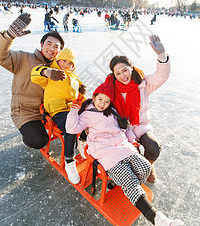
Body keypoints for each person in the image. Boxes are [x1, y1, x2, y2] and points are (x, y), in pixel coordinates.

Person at [66, 82, 183, 226]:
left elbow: (124, 129)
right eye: (100, 99)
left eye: (107, 101)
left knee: (145, 167)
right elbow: (71, 129)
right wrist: (74, 110)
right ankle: (156, 218)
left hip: (124, 148)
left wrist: (132, 141)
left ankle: (125, 185)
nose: (103, 104)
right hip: (107, 154)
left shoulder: (112, 111)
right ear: (94, 96)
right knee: (130, 181)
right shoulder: (88, 114)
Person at [104, 35, 170, 183]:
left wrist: (161, 55)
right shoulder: (111, 87)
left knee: (154, 148)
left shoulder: (143, 84)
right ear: (113, 75)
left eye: (125, 70)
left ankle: (147, 164)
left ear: (131, 68)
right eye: (118, 73)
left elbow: (161, 76)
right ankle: (126, 169)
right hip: (120, 127)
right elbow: (99, 103)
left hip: (140, 124)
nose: (122, 76)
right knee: (126, 153)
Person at [0, 13, 65, 149]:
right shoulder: (24, 58)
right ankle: (28, 134)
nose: (52, 49)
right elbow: (2, 56)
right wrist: (8, 36)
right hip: (25, 112)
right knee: (39, 141)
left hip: (48, 111)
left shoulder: (59, 68)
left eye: (56, 47)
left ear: (60, 51)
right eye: (49, 44)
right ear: (42, 44)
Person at [31, 47, 86, 184]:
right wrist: (46, 72)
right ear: (58, 59)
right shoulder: (51, 73)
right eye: (64, 61)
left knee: (92, 118)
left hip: (72, 109)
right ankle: (69, 161)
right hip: (57, 110)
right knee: (70, 126)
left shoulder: (73, 76)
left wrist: (82, 89)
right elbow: (35, 75)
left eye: (70, 63)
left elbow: (78, 89)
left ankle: (82, 143)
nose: (66, 65)